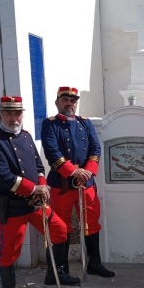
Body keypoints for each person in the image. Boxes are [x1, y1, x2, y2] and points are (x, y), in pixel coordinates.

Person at [0, 96, 80, 288]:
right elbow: (4, 176)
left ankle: (55, 273)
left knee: (60, 230)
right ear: (0, 116)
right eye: (9, 114)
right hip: (12, 206)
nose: (14, 118)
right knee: (10, 251)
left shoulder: (26, 136)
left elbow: (38, 166)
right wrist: (33, 188)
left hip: (36, 203)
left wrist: (43, 185)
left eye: (17, 114)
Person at [41, 87, 115, 278]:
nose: (69, 104)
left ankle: (94, 263)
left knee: (91, 223)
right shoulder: (50, 125)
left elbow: (95, 148)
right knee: (61, 226)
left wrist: (88, 172)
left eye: (73, 100)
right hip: (62, 185)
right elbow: (52, 152)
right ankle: (60, 269)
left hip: (86, 184)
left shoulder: (85, 123)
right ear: (57, 103)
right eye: (65, 100)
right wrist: (74, 172)